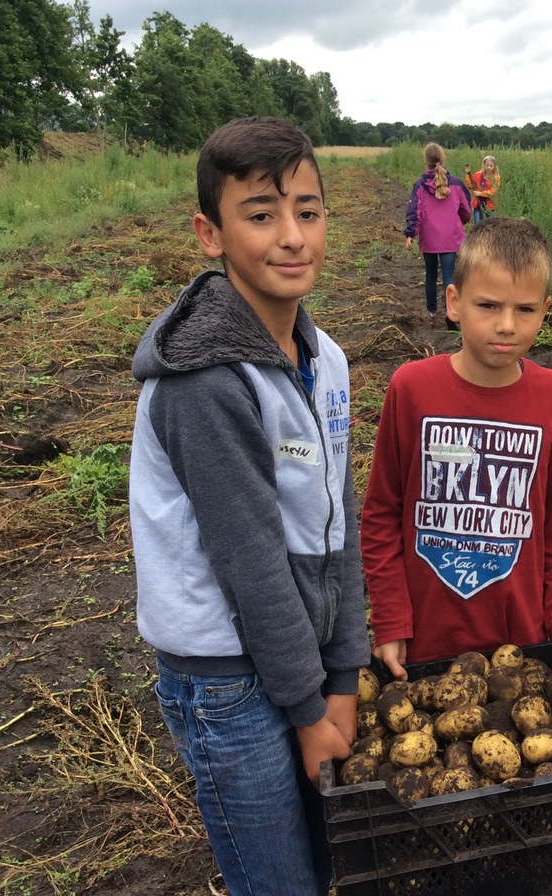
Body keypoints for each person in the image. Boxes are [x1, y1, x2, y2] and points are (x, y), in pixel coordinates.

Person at [128, 116, 370, 896]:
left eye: (308, 210)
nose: (292, 236)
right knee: (279, 881)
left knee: (326, 861)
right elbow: (251, 562)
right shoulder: (203, 380)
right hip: (226, 677)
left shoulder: (323, 357)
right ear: (211, 233)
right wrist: (309, 709)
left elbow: (340, 517)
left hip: (298, 649)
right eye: (261, 215)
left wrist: (346, 672)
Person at [362, 216, 552, 677]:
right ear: (454, 302)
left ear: (545, 310)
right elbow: (381, 513)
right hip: (425, 642)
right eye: (488, 305)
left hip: (519, 643)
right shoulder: (411, 389)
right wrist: (389, 619)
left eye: (525, 310)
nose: (506, 325)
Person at [404, 142, 471, 328]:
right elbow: (466, 210)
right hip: (450, 237)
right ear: (442, 158)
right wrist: (458, 222)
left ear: (426, 160)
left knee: (431, 275)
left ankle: (431, 311)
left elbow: (414, 211)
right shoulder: (456, 184)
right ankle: (452, 314)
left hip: (430, 238)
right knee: (450, 275)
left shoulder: (420, 185)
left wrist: (410, 234)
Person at [464, 155, 501, 224]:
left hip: (490, 206)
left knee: (490, 225)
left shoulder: (496, 178)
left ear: (494, 166)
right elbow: (471, 186)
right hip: (478, 204)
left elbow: (493, 192)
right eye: (487, 165)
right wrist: (467, 175)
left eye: (491, 166)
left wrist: (480, 193)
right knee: (477, 224)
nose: (488, 167)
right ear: (484, 165)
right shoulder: (478, 175)